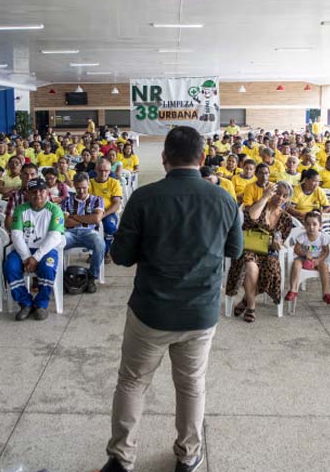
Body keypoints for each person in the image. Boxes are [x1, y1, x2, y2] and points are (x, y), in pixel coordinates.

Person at [98, 126, 241, 472]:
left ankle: (121, 459)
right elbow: (234, 250)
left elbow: (121, 256)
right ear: (203, 158)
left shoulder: (144, 198)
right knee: (191, 386)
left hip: (151, 313)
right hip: (200, 315)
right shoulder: (224, 199)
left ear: (164, 158)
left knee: (132, 382)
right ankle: (188, 456)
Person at [226, 181, 294, 323]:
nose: (280, 198)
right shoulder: (260, 206)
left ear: (288, 199)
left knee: (271, 269)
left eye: (284, 196)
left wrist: (277, 244)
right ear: (271, 192)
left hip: (268, 252)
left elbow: (281, 240)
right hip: (249, 248)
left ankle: (246, 300)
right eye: (277, 193)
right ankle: (251, 307)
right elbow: (251, 217)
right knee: (250, 266)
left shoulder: (287, 219)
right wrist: (264, 197)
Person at [5, 178, 65, 321]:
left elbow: (55, 236)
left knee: (48, 267)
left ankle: (41, 305)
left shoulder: (55, 210)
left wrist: (36, 257)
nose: (37, 194)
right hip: (24, 250)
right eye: (33, 191)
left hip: (46, 250)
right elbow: (16, 234)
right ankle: (25, 303)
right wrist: (27, 257)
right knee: (10, 267)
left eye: (41, 191)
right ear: (27, 194)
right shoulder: (20, 209)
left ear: (47, 192)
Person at [61, 172, 105, 293]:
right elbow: (66, 222)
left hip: (90, 232)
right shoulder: (67, 201)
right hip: (70, 233)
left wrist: (74, 216)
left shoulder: (97, 200)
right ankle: (62, 277)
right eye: (78, 188)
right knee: (56, 243)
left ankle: (92, 277)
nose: (81, 191)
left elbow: (96, 219)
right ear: (74, 186)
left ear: (88, 184)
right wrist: (87, 218)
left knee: (99, 243)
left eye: (84, 188)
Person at [285, 210, 330, 305]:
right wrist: (305, 254)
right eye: (308, 224)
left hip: (317, 259)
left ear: (320, 226)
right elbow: (296, 249)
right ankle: (293, 290)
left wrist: (318, 260)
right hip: (303, 258)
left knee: (324, 267)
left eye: (314, 224)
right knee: (296, 263)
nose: (311, 227)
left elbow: (326, 251)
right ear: (304, 226)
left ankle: (326, 293)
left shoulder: (322, 237)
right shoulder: (302, 236)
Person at [89, 159, 122, 257]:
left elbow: (116, 203)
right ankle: (93, 252)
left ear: (110, 171)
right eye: (100, 170)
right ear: (96, 170)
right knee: (90, 230)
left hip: (108, 212)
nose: (103, 173)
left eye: (106, 171)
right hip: (92, 212)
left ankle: (105, 251)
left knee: (110, 228)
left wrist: (103, 215)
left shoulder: (114, 183)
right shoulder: (89, 183)